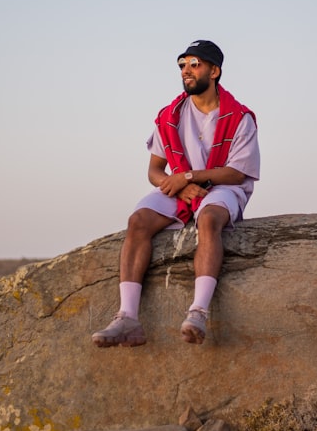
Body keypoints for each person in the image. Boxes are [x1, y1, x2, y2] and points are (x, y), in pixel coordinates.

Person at [92, 40, 260, 347]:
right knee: (139, 220)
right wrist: (179, 185)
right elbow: (155, 171)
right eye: (183, 65)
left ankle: (198, 311)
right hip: (182, 189)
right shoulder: (170, 115)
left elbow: (238, 172)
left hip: (223, 188)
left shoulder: (239, 117)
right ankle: (128, 318)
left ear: (215, 71)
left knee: (208, 219)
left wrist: (188, 177)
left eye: (195, 64)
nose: (186, 71)